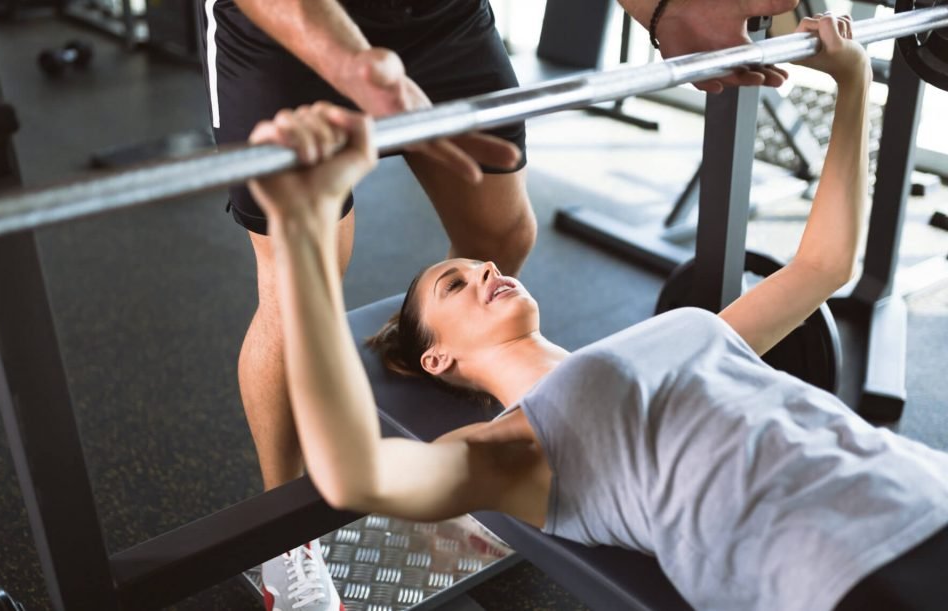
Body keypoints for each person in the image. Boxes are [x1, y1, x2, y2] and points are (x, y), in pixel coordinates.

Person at [246, 14, 948, 611]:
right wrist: (305, 229)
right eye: (454, 285)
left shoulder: (678, 333)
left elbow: (822, 269)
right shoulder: (513, 450)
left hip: (923, 482)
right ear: (439, 359)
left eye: (476, 265)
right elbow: (357, 475)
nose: (486, 268)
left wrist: (853, 81)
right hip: (843, 567)